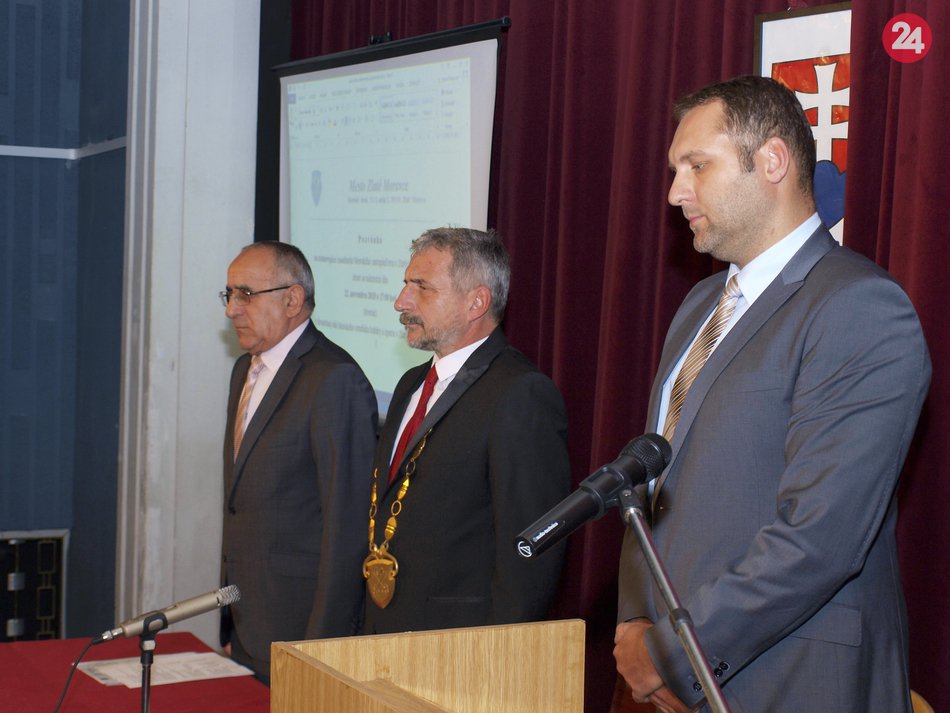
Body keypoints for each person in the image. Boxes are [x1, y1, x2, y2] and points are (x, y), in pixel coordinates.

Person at [613, 76, 931, 712]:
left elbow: (820, 537)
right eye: (676, 171)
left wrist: (677, 654)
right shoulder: (701, 302)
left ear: (773, 161)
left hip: (793, 679)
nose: (675, 192)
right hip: (679, 677)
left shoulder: (859, 306)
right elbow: (652, 487)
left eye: (696, 166)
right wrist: (636, 621)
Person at [361, 227, 570, 635]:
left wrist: (493, 654)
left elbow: (529, 555)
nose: (401, 302)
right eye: (405, 284)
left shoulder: (519, 393)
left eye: (421, 287)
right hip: (384, 631)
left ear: (477, 302)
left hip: (459, 644)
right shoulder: (409, 384)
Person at [220, 241, 377, 683]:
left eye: (246, 294)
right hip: (247, 620)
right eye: (228, 295)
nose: (232, 310)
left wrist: (320, 648)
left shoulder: (334, 378)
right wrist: (229, 621)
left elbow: (347, 528)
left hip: (301, 629)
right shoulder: (244, 370)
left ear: (292, 300)